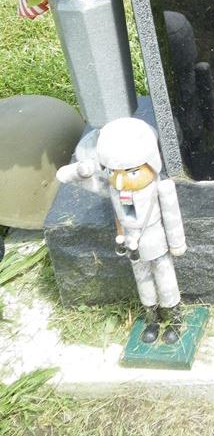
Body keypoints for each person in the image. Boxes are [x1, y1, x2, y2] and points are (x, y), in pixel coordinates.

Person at [56, 117, 187, 345]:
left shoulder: (160, 188)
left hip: (155, 239)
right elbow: (92, 184)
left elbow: (172, 216)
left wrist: (177, 243)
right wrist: (79, 171)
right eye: (114, 172)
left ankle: (175, 319)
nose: (120, 180)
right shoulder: (117, 190)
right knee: (143, 281)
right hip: (130, 242)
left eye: (132, 172)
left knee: (165, 277)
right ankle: (152, 318)